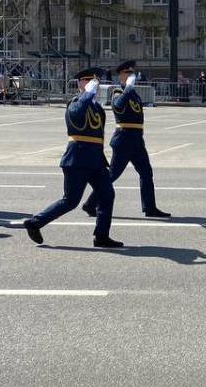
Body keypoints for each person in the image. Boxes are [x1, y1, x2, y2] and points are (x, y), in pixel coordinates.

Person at [22, 67, 123, 248]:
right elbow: (76, 114)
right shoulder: (75, 102)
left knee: (107, 195)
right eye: (88, 81)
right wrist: (87, 94)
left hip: (96, 161)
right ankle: (35, 223)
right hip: (77, 160)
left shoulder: (97, 107)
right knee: (70, 201)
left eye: (95, 82)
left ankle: (101, 236)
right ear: (79, 84)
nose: (93, 85)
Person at [82, 60, 170, 219]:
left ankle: (149, 207)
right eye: (128, 73)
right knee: (112, 175)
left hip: (136, 139)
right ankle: (90, 204)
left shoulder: (133, 93)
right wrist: (128, 87)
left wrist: (130, 89)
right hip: (124, 140)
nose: (131, 75)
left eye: (132, 73)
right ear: (121, 76)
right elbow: (118, 106)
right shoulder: (118, 92)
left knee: (146, 173)